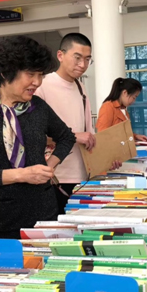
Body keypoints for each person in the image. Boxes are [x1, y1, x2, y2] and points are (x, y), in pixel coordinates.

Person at [0, 36, 76, 239]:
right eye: (30, 74)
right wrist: (22, 175)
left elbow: (66, 137)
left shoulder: (38, 107)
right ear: (6, 72)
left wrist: (49, 166)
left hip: (43, 216)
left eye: (40, 75)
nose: (37, 82)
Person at [35, 33, 120, 214]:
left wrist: (106, 158)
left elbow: (89, 134)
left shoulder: (81, 87)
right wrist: (73, 136)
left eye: (88, 59)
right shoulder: (41, 86)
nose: (83, 65)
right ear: (60, 55)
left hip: (83, 176)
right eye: (77, 58)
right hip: (55, 176)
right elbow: (33, 135)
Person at [96, 77, 147, 142]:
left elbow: (124, 133)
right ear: (125, 93)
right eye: (134, 97)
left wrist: (135, 136)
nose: (134, 101)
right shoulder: (108, 107)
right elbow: (102, 134)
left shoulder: (124, 110)